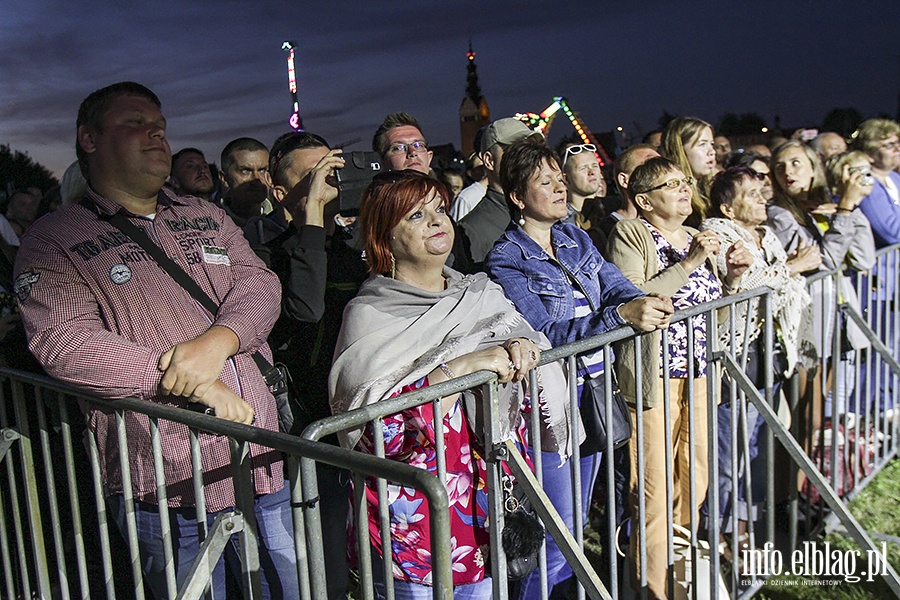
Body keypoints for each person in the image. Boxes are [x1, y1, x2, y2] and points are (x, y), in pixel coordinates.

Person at [14, 82, 297, 600]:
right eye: (134, 123)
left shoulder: (204, 214)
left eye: (160, 125)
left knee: (285, 590)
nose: (157, 133)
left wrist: (220, 340)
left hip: (260, 462)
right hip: (165, 485)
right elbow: (64, 341)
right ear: (89, 139)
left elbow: (259, 283)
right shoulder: (55, 237)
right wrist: (191, 384)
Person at [329, 169, 573, 599]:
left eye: (440, 209)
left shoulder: (480, 295)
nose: (437, 221)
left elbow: (527, 395)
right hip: (410, 522)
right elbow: (374, 435)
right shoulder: (368, 316)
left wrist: (520, 344)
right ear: (384, 238)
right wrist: (456, 369)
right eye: (416, 216)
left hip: (484, 504)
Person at [484, 139, 673, 598]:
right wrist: (619, 319)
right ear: (517, 196)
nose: (559, 187)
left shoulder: (575, 237)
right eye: (544, 182)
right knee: (557, 532)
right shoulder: (505, 258)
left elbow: (616, 284)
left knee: (577, 519)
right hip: (549, 405)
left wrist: (635, 303)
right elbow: (544, 330)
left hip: (592, 389)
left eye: (558, 178)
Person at [607, 156, 751, 599]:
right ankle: (651, 588)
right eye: (670, 184)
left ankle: (684, 577)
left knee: (695, 479)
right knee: (653, 490)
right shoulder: (631, 233)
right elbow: (634, 297)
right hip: (655, 377)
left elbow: (711, 316)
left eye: (684, 180)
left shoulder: (694, 236)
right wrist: (690, 263)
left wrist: (732, 281)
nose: (684, 188)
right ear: (644, 200)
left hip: (698, 374)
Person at [701, 166, 819, 552]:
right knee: (728, 450)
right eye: (752, 194)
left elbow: (776, 284)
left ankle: (740, 525)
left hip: (771, 352)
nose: (763, 198)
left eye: (762, 191)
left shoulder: (766, 238)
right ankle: (715, 532)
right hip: (737, 356)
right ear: (728, 208)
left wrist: (780, 273)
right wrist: (791, 268)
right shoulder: (717, 234)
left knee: (754, 447)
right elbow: (745, 287)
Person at [767, 141, 875, 461]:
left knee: (816, 417)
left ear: (814, 167)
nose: (788, 171)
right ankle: (790, 501)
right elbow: (824, 262)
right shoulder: (779, 214)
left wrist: (849, 209)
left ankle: (806, 494)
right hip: (807, 322)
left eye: (797, 163)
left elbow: (865, 258)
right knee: (806, 418)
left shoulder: (822, 208)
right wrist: (844, 212)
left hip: (837, 315)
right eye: (780, 166)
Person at [454, 118, 543, 273]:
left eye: (529, 150)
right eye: (514, 151)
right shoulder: (472, 230)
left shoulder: (543, 213)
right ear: (489, 160)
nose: (525, 158)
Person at [594, 144, 660, 254]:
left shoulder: (671, 226)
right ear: (624, 180)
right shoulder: (603, 234)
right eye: (650, 166)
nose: (662, 173)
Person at [660, 117, 718, 228]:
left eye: (711, 144)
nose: (712, 152)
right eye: (702, 144)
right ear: (679, 149)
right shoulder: (673, 196)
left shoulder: (713, 189)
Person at [219, 137, 274, 219]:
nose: (257, 179)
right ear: (224, 178)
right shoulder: (211, 223)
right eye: (245, 171)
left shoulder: (285, 219)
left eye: (262, 170)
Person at [560, 142, 607, 230]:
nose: (591, 172)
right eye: (583, 168)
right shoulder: (560, 223)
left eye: (595, 166)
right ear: (565, 179)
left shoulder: (613, 210)